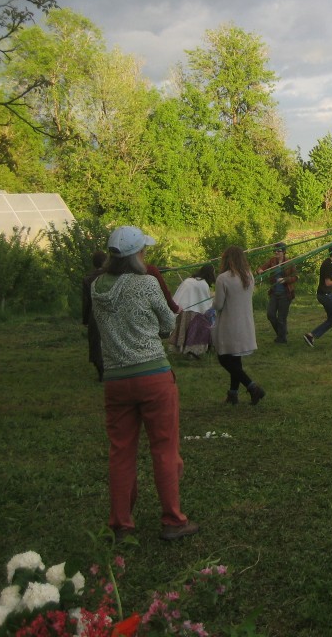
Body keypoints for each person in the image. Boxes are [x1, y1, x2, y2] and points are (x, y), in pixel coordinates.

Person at [89, 226, 198, 542]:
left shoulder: (97, 287)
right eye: (143, 251)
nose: (145, 256)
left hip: (116, 379)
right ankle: (173, 521)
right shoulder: (147, 283)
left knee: (121, 451)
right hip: (153, 376)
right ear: (136, 255)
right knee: (164, 447)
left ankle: (121, 525)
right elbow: (168, 322)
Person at [213, 246, 265, 406]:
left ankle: (252, 387)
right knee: (235, 359)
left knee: (224, 358)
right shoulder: (249, 276)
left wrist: (211, 302)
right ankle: (233, 394)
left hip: (230, 324)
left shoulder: (223, 278)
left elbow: (219, 304)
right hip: (245, 323)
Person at [304, 245, 332, 349]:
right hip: (326, 295)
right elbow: (328, 283)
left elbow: (330, 277)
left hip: (324, 294)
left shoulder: (330, 263)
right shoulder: (329, 265)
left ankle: (311, 336)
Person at [168, 264, 216, 359]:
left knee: (183, 332)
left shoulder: (188, 280)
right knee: (198, 330)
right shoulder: (203, 284)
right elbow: (206, 304)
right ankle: (193, 351)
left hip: (182, 311)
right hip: (195, 314)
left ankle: (181, 350)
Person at [257, 242, 298, 343]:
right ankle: (282, 332)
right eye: (274, 251)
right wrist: (260, 271)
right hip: (274, 293)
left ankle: (282, 338)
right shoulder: (272, 261)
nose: (276, 252)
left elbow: (296, 277)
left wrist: (285, 280)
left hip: (286, 293)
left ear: (284, 252)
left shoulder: (289, 262)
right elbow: (261, 268)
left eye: (278, 251)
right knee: (270, 314)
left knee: (281, 318)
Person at [81, 250, 108, 382]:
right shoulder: (111, 276)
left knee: (96, 344)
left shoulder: (88, 279)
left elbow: (86, 302)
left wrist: (85, 319)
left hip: (94, 314)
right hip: (111, 313)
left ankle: (101, 371)